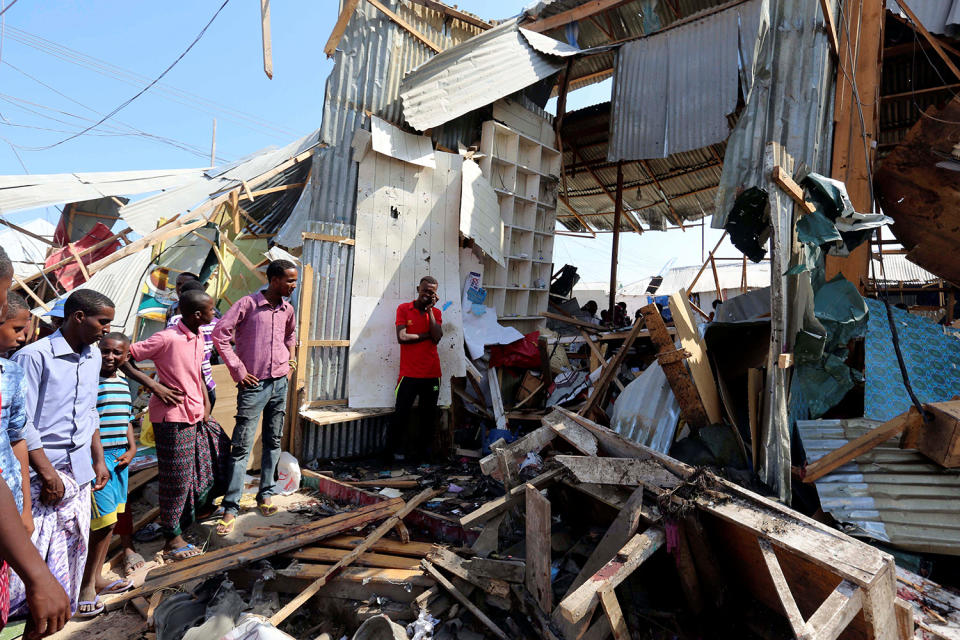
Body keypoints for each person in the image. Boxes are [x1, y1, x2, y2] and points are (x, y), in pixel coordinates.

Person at [9, 288, 113, 619]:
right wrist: (47, 473)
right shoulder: (34, 357)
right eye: (103, 322)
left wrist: (98, 458)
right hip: (40, 476)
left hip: (79, 472)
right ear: (78, 317)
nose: (107, 329)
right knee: (30, 562)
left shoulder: (93, 356)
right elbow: (21, 424)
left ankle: (56, 617)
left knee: (71, 553)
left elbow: (89, 412)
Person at [0, 247, 70, 637]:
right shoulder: (34, 359)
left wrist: (23, 506)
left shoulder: (8, 373)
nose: (25, 334)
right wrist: (37, 574)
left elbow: (16, 440)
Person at [129, 290, 221, 561]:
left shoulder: (198, 336)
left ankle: (184, 521)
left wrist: (205, 403)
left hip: (194, 413)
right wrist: (154, 386)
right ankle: (172, 538)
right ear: (196, 314)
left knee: (201, 466)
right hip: (172, 417)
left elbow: (197, 374)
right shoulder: (167, 337)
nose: (214, 313)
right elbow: (126, 356)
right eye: (210, 310)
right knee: (175, 479)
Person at [212, 260, 297, 535]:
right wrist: (238, 370)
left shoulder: (288, 309)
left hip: (280, 382)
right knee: (241, 446)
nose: (293, 286)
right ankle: (231, 507)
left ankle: (266, 494)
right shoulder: (247, 305)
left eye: (294, 281)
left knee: (273, 440)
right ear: (273, 280)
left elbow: (290, 336)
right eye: (289, 281)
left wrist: (291, 362)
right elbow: (219, 335)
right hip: (253, 385)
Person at [76, 333, 138, 616]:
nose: (110, 357)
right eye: (106, 351)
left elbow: (126, 418)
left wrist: (133, 446)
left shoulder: (124, 382)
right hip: (97, 459)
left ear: (126, 357)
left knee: (111, 522)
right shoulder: (91, 382)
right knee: (100, 524)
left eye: (117, 353)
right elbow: (90, 421)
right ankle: (86, 586)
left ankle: (97, 577)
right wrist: (99, 459)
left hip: (120, 459)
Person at [390, 276, 444, 465]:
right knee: (401, 415)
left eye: (431, 292)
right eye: (425, 290)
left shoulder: (436, 312)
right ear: (418, 289)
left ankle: (423, 457)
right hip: (408, 374)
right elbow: (402, 337)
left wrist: (429, 312)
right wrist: (425, 335)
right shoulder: (404, 309)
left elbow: (437, 337)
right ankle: (395, 453)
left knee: (428, 417)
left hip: (432, 374)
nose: (427, 294)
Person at [167, 280, 219, 409]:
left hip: (182, 381)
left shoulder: (175, 321)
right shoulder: (216, 322)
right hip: (206, 380)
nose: (213, 312)